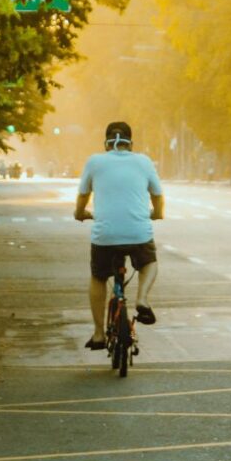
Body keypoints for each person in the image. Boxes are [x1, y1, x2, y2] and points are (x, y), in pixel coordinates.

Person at [74, 121, 164, 350]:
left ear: (106, 142)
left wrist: (80, 214)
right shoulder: (143, 161)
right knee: (149, 263)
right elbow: (158, 196)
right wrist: (157, 214)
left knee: (98, 277)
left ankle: (97, 334)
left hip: (105, 236)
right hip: (138, 233)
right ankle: (142, 299)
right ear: (130, 142)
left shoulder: (95, 161)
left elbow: (83, 196)